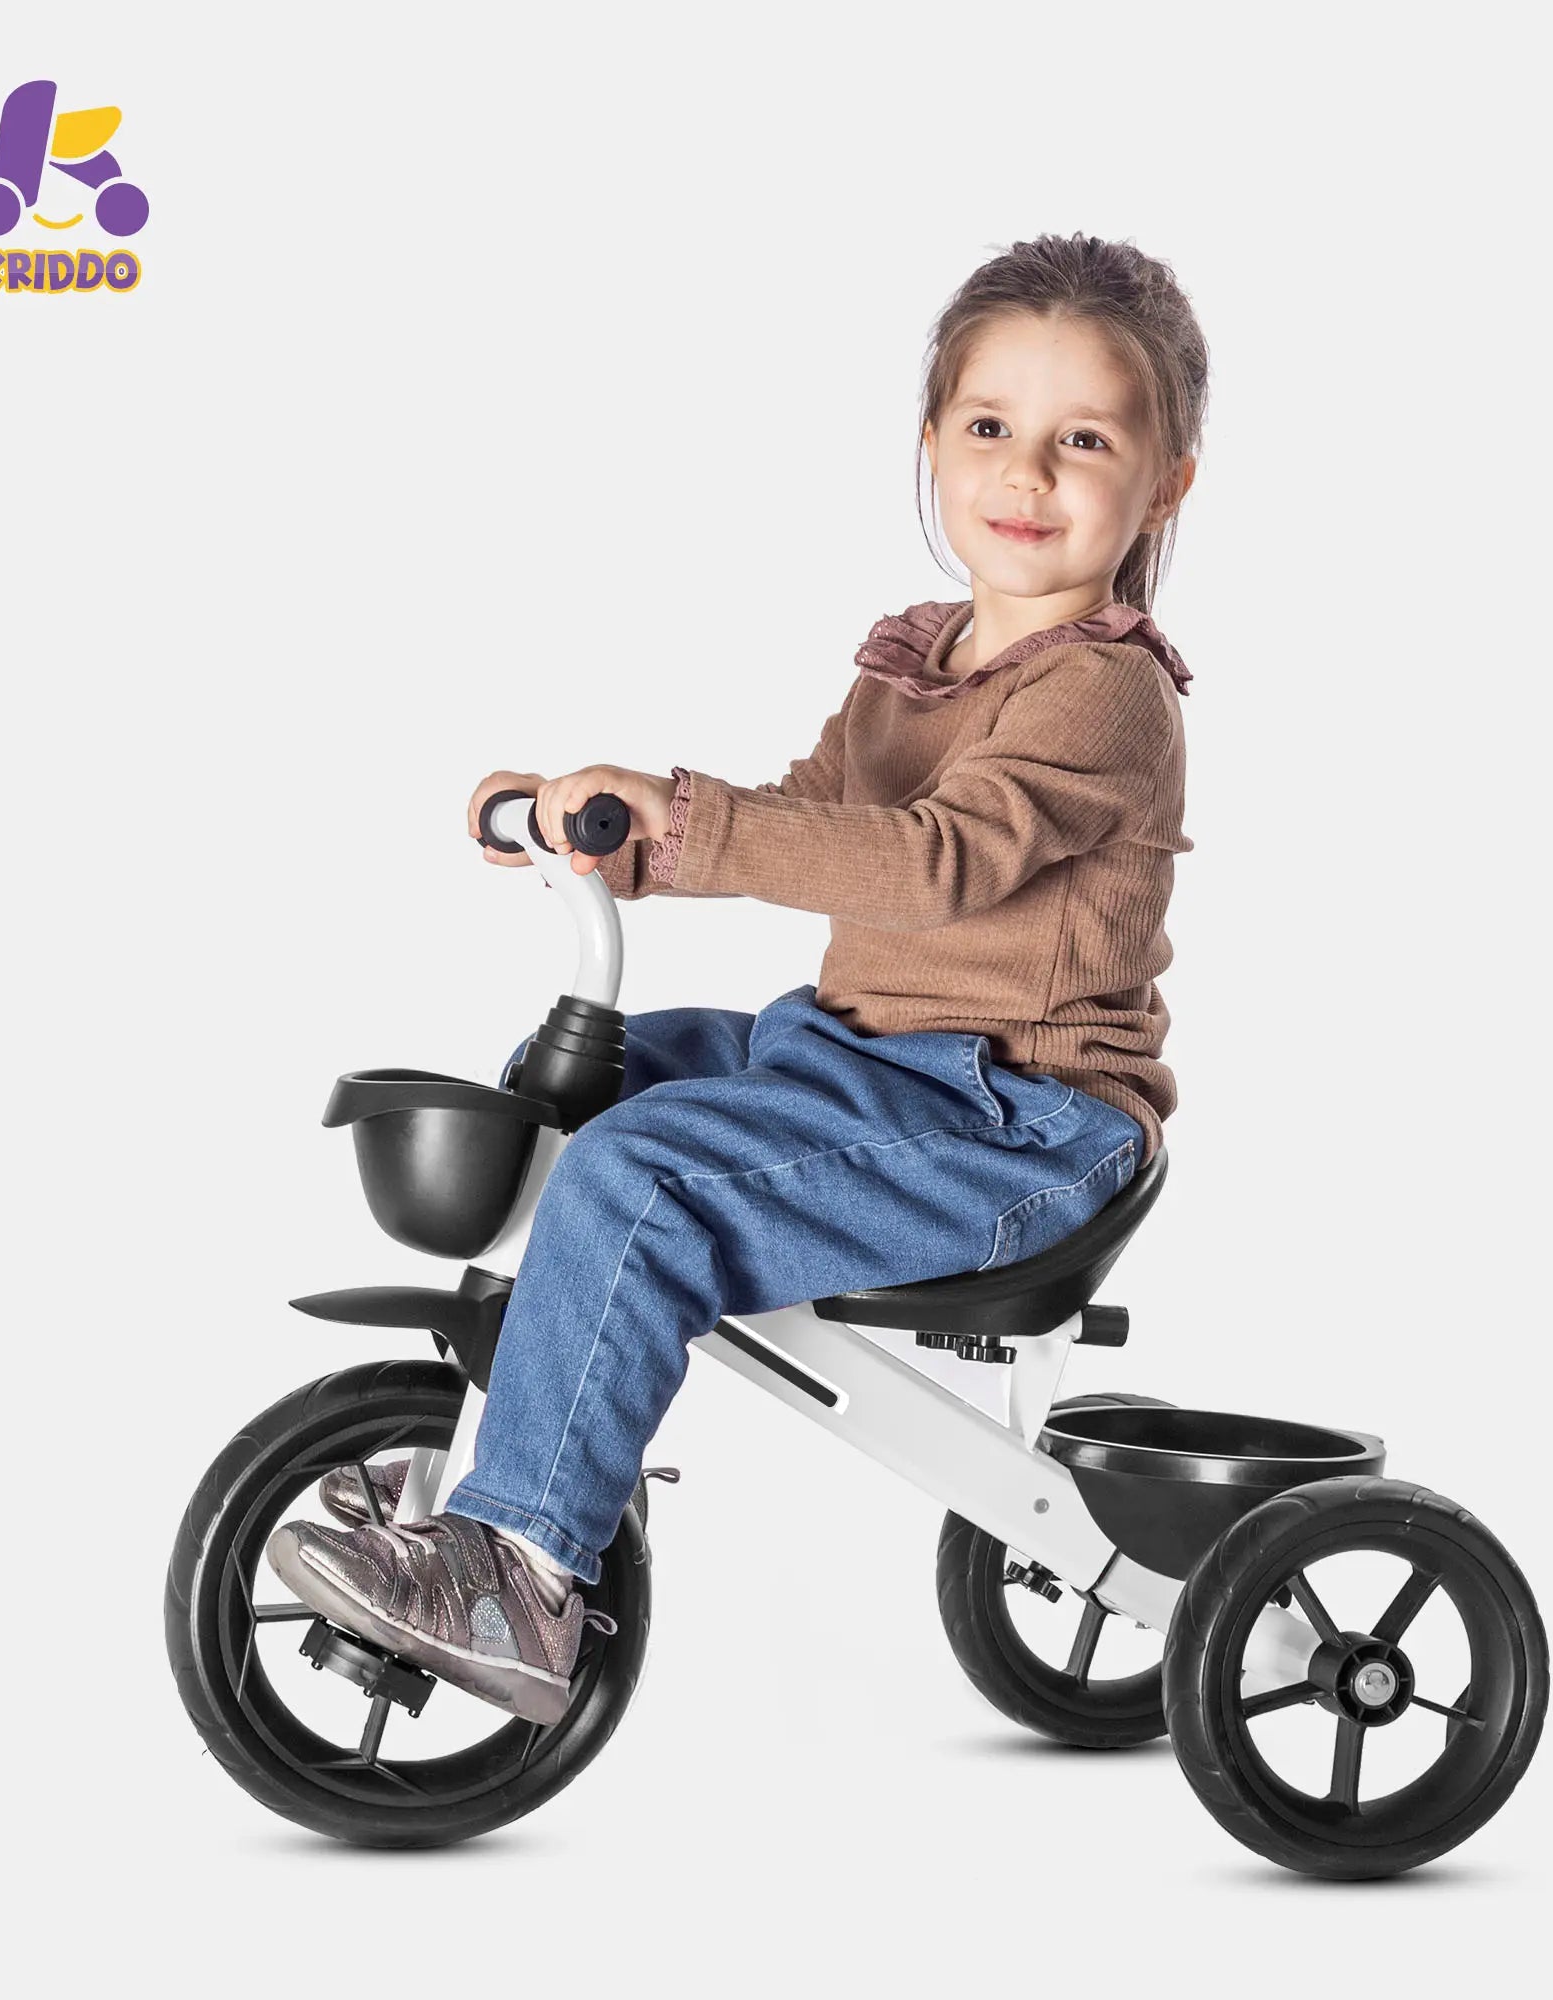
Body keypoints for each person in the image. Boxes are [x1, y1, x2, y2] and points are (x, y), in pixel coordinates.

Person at [269, 231, 1205, 1727]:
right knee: (587, 1078)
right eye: (989, 430)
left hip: (1021, 1119)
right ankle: (525, 1425)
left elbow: (927, 864)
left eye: (1081, 441)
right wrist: (618, 841)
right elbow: (823, 818)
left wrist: (696, 826)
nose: (1026, 475)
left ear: (1165, 483)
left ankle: (522, 1567)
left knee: (640, 1174)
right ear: (931, 445)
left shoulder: (1104, 693)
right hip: (867, 1058)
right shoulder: (920, 660)